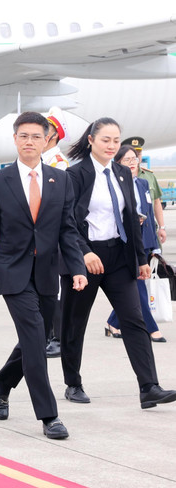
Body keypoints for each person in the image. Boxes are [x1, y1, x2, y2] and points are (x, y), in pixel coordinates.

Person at [0, 111, 88, 440]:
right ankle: (49, 415)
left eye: (36, 136)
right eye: (23, 136)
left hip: (46, 274)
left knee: (35, 340)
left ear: (46, 140)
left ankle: (1, 383)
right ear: (15, 140)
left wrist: (77, 268)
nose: (29, 141)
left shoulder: (60, 179)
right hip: (12, 273)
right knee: (36, 341)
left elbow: (68, 230)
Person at [61, 118, 176, 410]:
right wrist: (84, 253)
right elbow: (67, 222)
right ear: (91, 140)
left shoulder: (123, 173)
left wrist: (140, 259)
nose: (112, 146)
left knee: (134, 320)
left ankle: (149, 387)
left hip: (118, 258)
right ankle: (73, 383)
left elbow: (132, 219)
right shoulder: (75, 175)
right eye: (105, 140)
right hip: (85, 260)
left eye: (116, 141)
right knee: (75, 323)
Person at [105, 146, 166, 343]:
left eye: (134, 159)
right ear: (118, 164)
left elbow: (149, 213)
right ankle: (151, 327)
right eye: (126, 160)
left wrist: (155, 243)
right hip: (126, 242)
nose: (132, 163)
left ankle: (113, 322)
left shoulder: (142, 183)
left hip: (145, 241)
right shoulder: (114, 185)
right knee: (139, 285)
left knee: (136, 285)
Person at [41, 107, 70, 358]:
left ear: (53, 135)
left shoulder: (58, 163)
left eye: (45, 130)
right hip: (39, 233)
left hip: (52, 232)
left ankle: (58, 338)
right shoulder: (41, 162)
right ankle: (47, 334)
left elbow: (54, 200)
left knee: (55, 287)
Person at [123, 137, 167, 248]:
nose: (136, 157)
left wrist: (162, 227)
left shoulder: (149, 176)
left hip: (150, 229)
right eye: (133, 154)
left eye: (139, 154)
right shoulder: (119, 177)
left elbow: (156, 203)